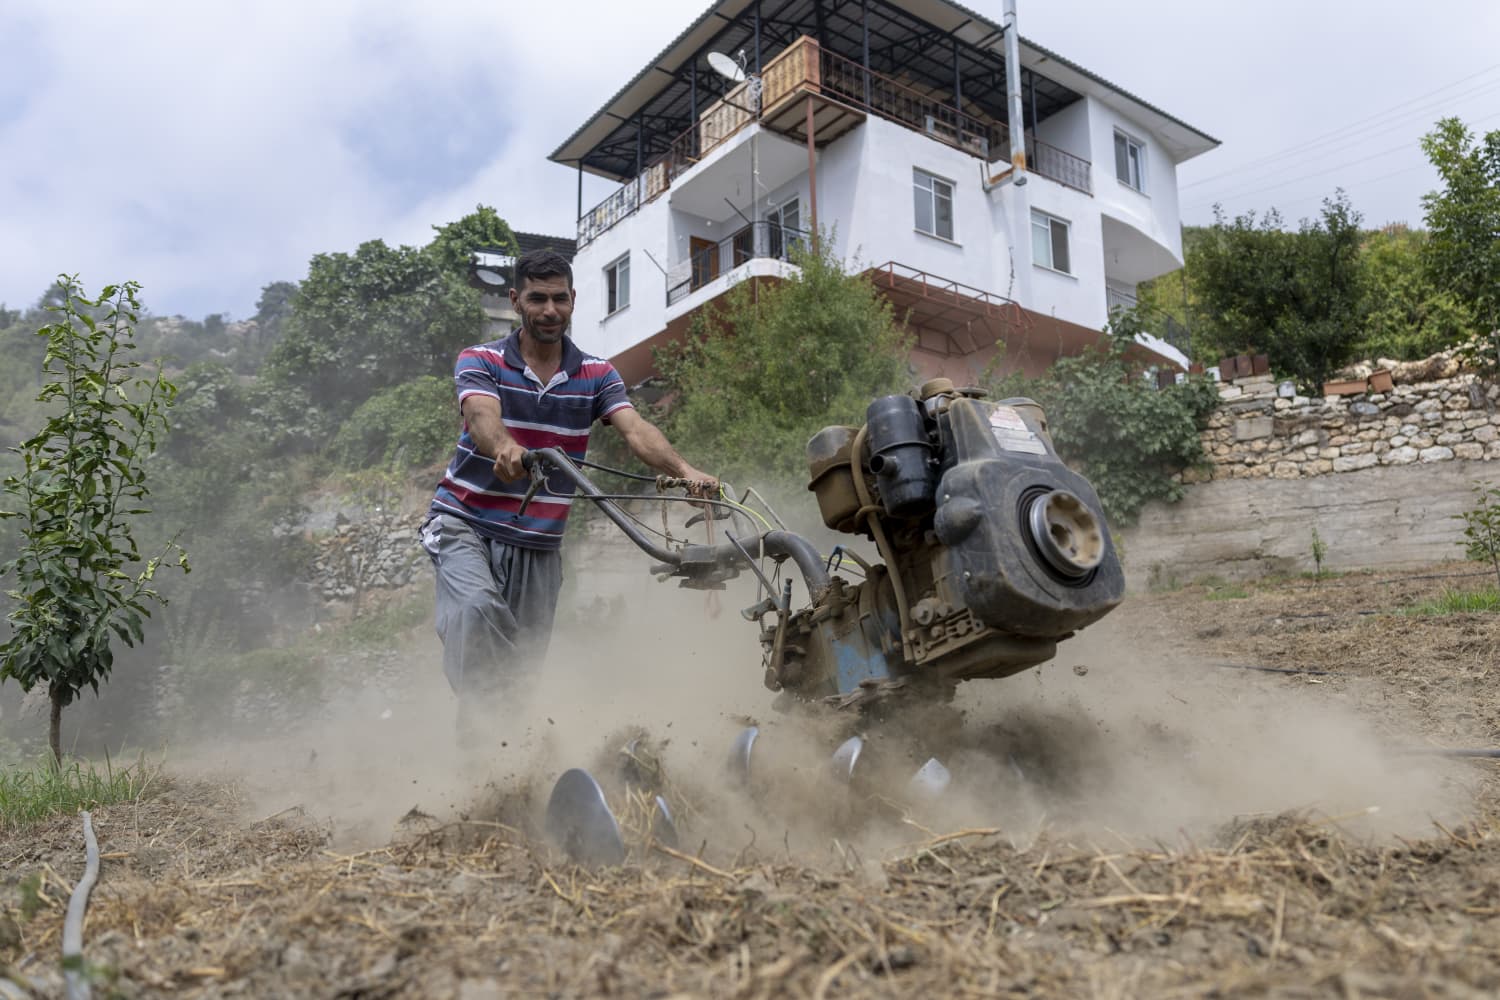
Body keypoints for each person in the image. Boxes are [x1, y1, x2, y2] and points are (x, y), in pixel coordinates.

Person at [420, 249, 716, 742]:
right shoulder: (482, 360)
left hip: (539, 545)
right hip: (465, 523)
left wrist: (685, 472)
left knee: (521, 673)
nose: (549, 310)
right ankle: (483, 738)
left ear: (574, 300)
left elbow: (635, 428)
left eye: (559, 298)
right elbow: (481, 417)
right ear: (516, 301)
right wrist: (506, 448)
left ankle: (494, 769)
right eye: (537, 299)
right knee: (475, 613)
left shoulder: (597, 375)